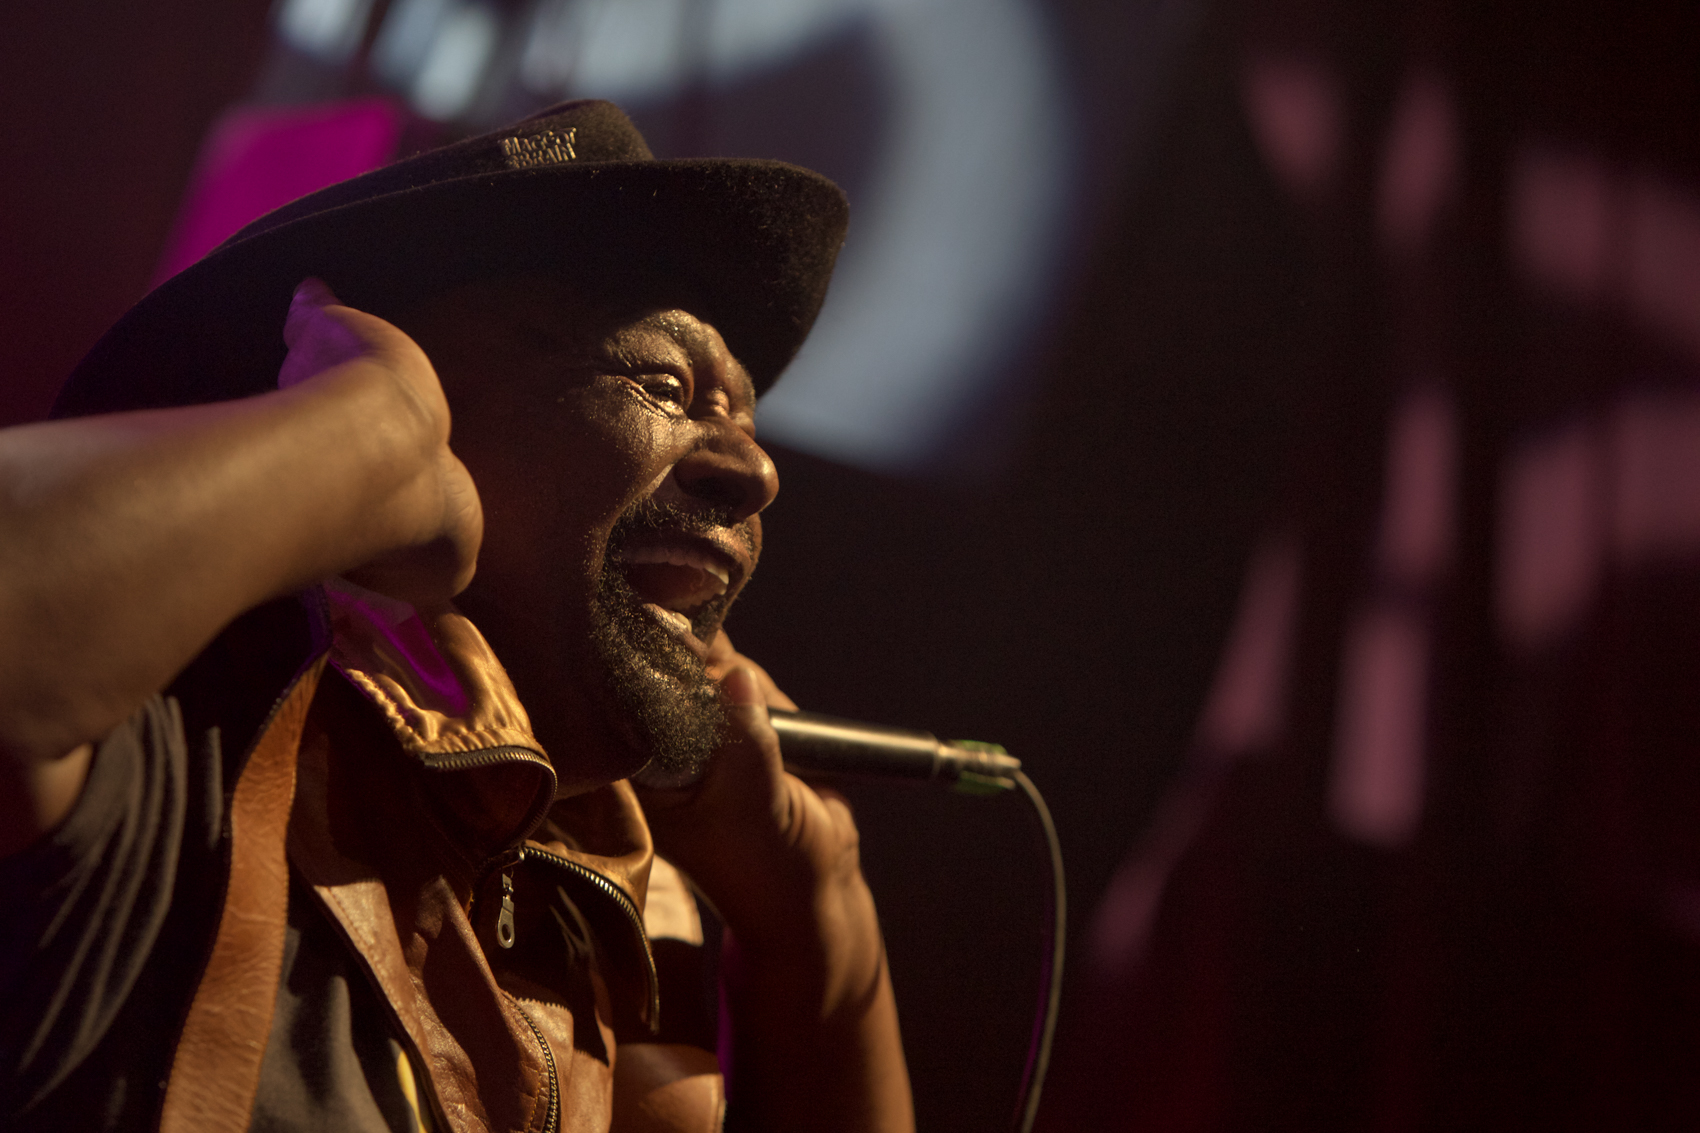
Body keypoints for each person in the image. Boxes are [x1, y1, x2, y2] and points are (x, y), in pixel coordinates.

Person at [0, 100, 913, 1132]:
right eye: (664, 384)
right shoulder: (176, 766)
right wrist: (374, 433)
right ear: (438, 409)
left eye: (745, 419)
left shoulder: (598, 948)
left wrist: (818, 911)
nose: (753, 471)